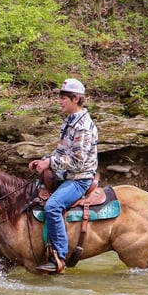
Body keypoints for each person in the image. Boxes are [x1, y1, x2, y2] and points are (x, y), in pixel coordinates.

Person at [28, 78, 98, 274]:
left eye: (63, 98)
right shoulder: (69, 121)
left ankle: (59, 257)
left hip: (79, 178)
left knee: (52, 206)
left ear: (76, 98)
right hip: (64, 175)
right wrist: (43, 160)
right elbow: (61, 152)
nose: (59, 101)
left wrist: (49, 163)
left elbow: (77, 161)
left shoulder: (83, 126)